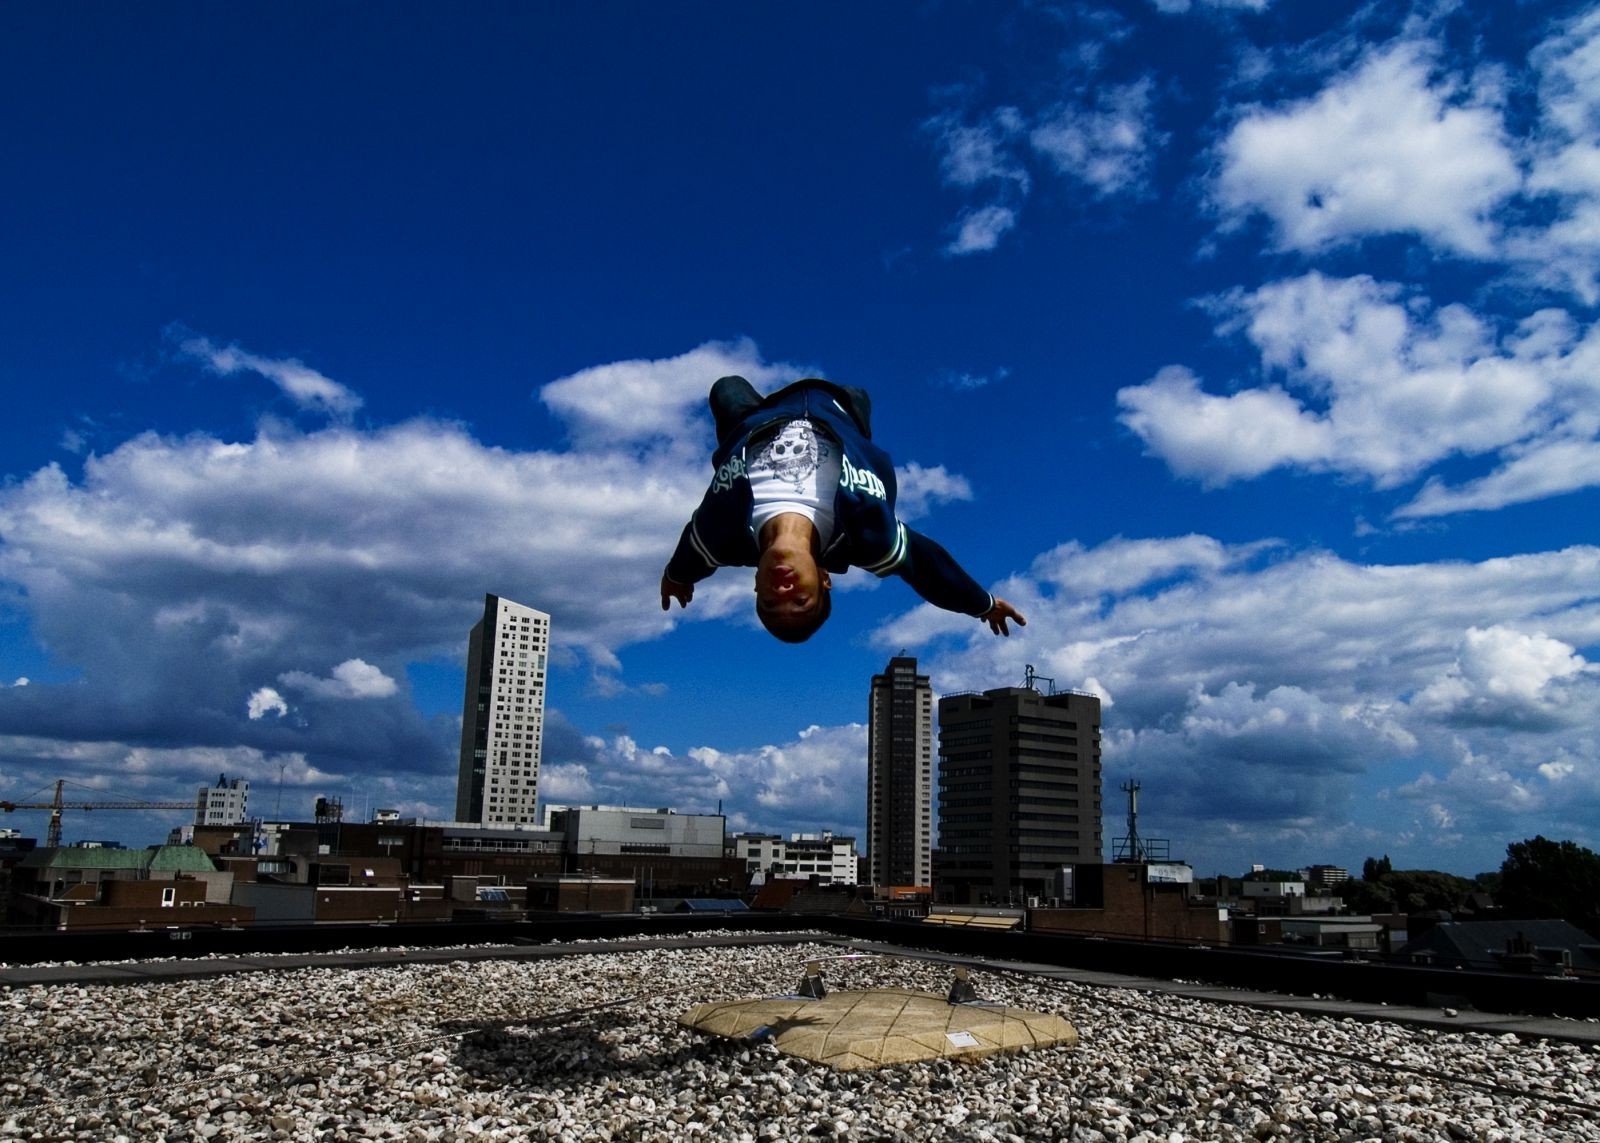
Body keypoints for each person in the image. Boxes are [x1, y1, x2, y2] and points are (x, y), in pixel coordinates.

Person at [660, 375, 1027, 643]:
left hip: (756, 420)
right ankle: (853, 409)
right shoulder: (866, 537)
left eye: (770, 604)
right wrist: (983, 604)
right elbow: (927, 567)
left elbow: (691, 555)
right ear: (824, 579)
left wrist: (677, 576)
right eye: (800, 601)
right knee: (857, 395)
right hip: (837, 414)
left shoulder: (721, 534)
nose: (783, 593)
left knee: (725, 387)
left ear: (756, 585)